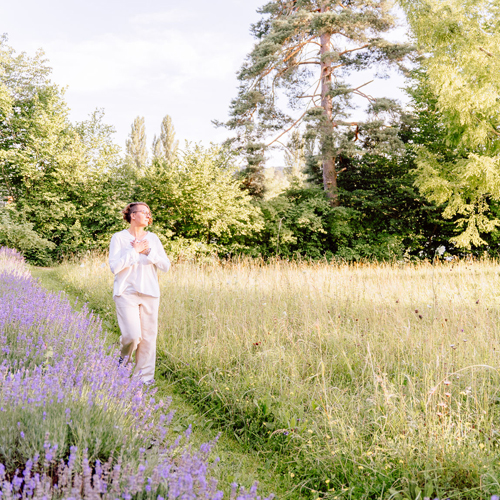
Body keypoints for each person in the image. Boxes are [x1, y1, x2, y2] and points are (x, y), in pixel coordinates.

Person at [109, 202, 171, 383]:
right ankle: (122, 363)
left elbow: (165, 266)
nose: (148, 215)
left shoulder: (153, 239)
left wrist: (149, 252)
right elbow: (115, 267)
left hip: (150, 293)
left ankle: (143, 380)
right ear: (132, 215)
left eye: (149, 213)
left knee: (148, 339)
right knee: (132, 335)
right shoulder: (119, 238)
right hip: (126, 292)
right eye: (144, 212)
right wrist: (134, 251)